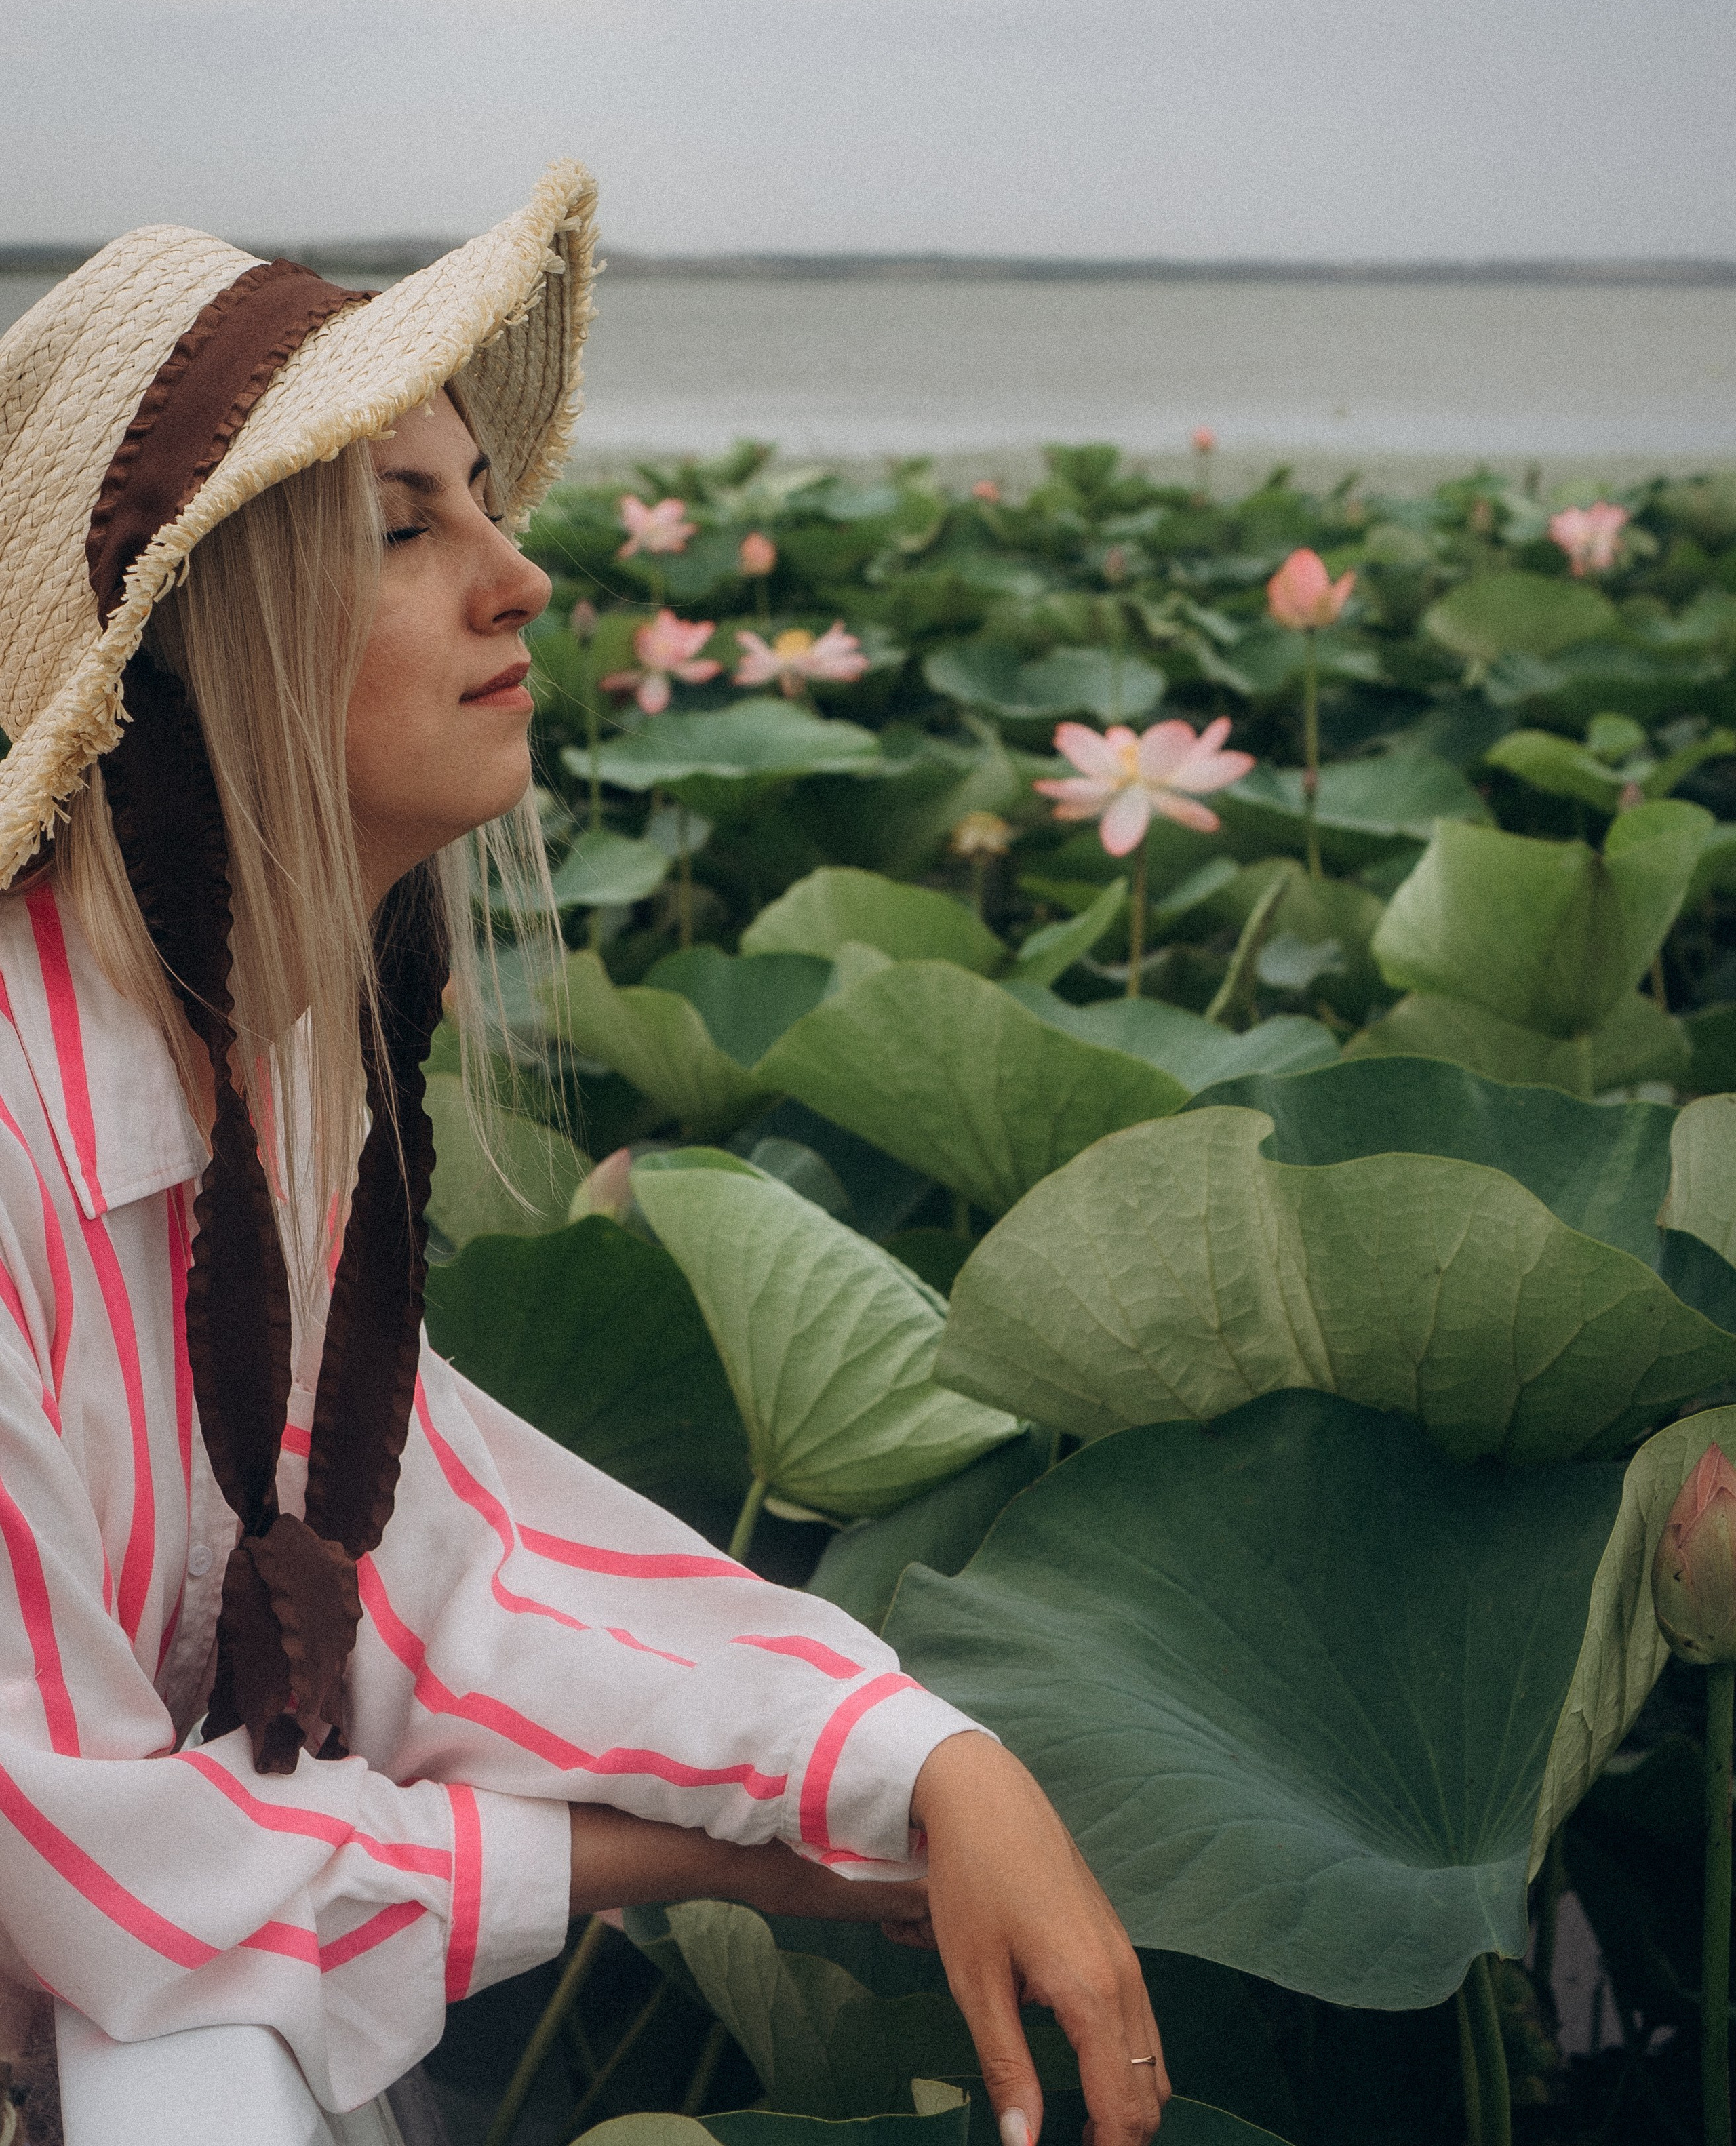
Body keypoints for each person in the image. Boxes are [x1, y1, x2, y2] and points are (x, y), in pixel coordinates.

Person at [0, 165, 1167, 2146]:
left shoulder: (264, 1066)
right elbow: (73, 1850)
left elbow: (444, 1547)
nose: (518, 574)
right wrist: (684, 1858)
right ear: (196, 645)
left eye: (483, 500)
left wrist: (907, 1754)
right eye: (403, 525)